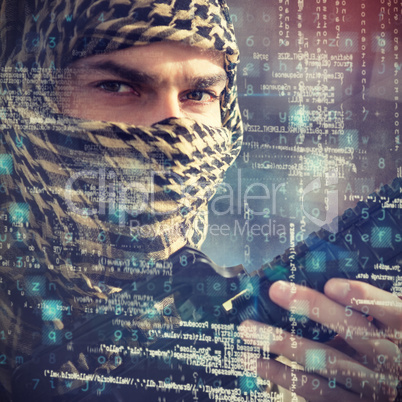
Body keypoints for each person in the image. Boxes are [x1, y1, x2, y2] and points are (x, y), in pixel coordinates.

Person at [0, 0, 400, 401]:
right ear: (30, 102)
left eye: (198, 92)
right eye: (115, 86)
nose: (173, 130)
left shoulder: (266, 358)